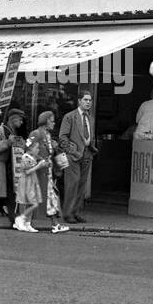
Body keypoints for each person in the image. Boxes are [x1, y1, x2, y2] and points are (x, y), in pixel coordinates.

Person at [59, 91, 98, 225]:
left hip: (87, 153)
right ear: (79, 101)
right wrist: (72, 151)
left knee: (82, 186)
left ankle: (75, 212)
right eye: (86, 100)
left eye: (90, 100)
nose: (88, 102)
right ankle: (67, 213)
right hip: (73, 156)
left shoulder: (90, 118)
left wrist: (92, 149)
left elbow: (89, 136)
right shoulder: (70, 117)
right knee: (72, 184)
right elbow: (62, 138)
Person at [13, 113, 56, 232]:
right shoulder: (36, 133)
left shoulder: (47, 135)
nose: (54, 123)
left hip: (42, 170)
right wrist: (40, 160)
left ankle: (28, 222)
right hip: (32, 168)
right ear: (46, 121)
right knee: (26, 197)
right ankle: (21, 221)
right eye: (52, 121)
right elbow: (28, 148)